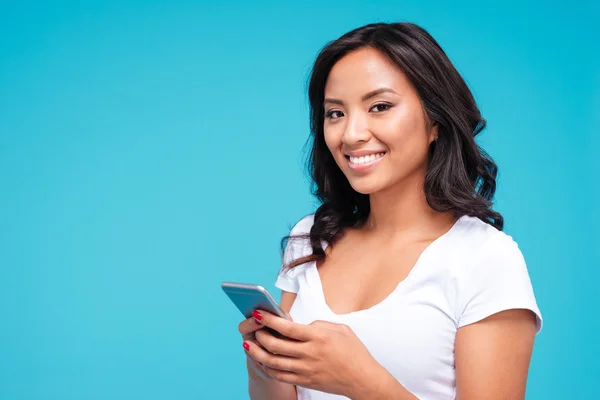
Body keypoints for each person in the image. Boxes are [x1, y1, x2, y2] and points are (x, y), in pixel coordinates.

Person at [238, 22, 542, 400]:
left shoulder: (485, 258)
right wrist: (266, 367)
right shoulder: (312, 237)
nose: (351, 134)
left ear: (435, 121)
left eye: (379, 107)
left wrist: (363, 382)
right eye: (335, 113)